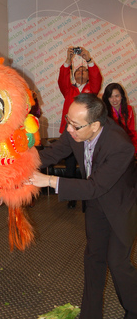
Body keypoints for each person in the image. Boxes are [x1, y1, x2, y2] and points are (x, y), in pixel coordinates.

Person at [30, 93, 137, 319]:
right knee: (93, 258)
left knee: (118, 263)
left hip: (121, 206)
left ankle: (135, 312)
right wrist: (15, 164)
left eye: (75, 125)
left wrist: (48, 180)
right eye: (68, 120)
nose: (68, 129)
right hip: (96, 204)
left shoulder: (121, 146)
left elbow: (94, 186)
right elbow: (50, 154)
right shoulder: (77, 131)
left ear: (96, 125)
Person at [58, 47, 102, 209]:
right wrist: (68, 60)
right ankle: (70, 198)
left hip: (87, 134)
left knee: (86, 167)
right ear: (74, 75)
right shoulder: (69, 90)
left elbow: (97, 77)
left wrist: (88, 59)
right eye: (78, 70)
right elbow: (62, 79)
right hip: (70, 134)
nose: (81, 72)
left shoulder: (93, 90)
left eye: (85, 70)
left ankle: (86, 199)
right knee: (70, 168)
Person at [102, 82, 137, 155]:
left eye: (117, 96)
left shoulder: (129, 109)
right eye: (111, 97)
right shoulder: (103, 112)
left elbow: (131, 132)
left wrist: (134, 148)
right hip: (110, 147)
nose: (114, 100)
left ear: (122, 96)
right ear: (107, 98)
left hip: (126, 144)